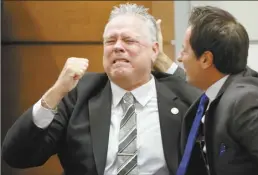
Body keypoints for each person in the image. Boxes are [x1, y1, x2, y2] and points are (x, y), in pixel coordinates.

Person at [2, 3, 201, 175]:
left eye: (129, 40)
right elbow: (17, 156)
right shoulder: (79, 94)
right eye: (110, 41)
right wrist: (56, 92)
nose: (118, 47)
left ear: (155, 50)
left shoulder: (182, 97)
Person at [168, 6, 258, 175]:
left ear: (205, 59)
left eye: (184, 50)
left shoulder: (246, 101)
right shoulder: (216, 96)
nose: (180, 58)